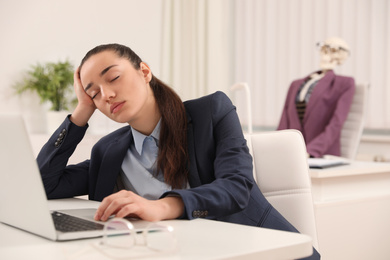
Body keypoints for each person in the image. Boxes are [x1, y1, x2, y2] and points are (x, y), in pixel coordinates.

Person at [37, 43, 319, 259]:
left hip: (260, 251)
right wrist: (82, 110)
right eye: (94, 93)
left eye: (113, 78)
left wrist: (161, 207)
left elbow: (237, 186)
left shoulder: (211, 112)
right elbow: (43, 185)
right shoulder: (108, 152)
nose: (106, 95)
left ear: (144, 71)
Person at [277, 37, 355, 158]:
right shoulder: (296, 84)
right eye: (324, 50)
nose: (326, 55)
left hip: (321, 155)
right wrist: (277, 147)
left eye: (332, 51)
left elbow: (336, 122)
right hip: (292, 153)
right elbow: (284, 121)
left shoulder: (344, 84)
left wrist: (310, 151)